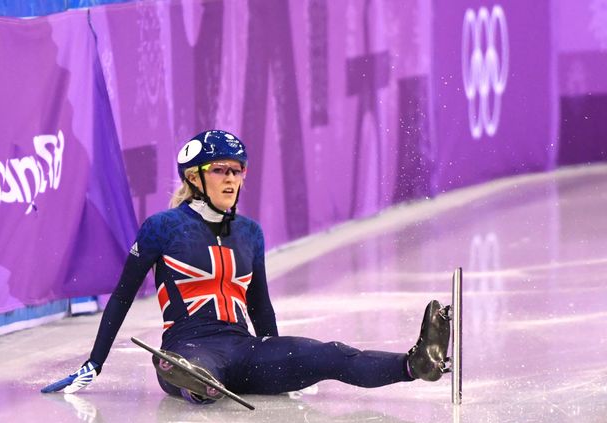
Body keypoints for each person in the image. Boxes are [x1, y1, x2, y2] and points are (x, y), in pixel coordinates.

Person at [41, 130, 451, 403]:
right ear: (194, 177)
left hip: (245, 349)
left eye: (237, 171)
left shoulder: (250, 233)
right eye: (220, 170)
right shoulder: (162, 228)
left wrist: (280, 356)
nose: (231, 179)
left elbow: (260, 306)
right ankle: (193, 383)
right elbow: (121, 298)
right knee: (196, 371)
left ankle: (416, 364)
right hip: (191, 346)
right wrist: (93, 364)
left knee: (333, 354)